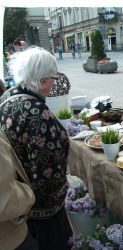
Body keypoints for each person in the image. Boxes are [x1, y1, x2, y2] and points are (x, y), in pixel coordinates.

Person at [0, 47, 72, 250]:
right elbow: (49, 171)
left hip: (21, 208)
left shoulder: (7, 97)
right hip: (44, 212)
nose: (53, 83)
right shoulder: (39, 115)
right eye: (52, 78)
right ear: (42, 81)